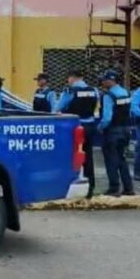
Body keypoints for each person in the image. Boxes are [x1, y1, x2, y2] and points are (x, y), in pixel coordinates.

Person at [57, 69, 99, 197]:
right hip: (90, 126)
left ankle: (70, 185)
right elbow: (96, 106)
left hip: (74, 127)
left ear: (73, 78)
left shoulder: (70, 91)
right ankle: (91, 186)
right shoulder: (93, 90)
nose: (68, 81)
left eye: (68, 78)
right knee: (88, 156)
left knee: (71, 156)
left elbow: (58, 107)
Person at [98, 70, 134, 196]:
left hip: (112, 131)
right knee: (122, 159)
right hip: (125, 130)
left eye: (104, 80)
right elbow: (130, 112)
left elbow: (107, 117)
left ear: (111, 80)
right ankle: (128, 187)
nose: (102, 82)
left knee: (111, 160)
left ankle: (114, 187)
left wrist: (100, 127)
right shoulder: (125, 93)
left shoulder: (109, 95)